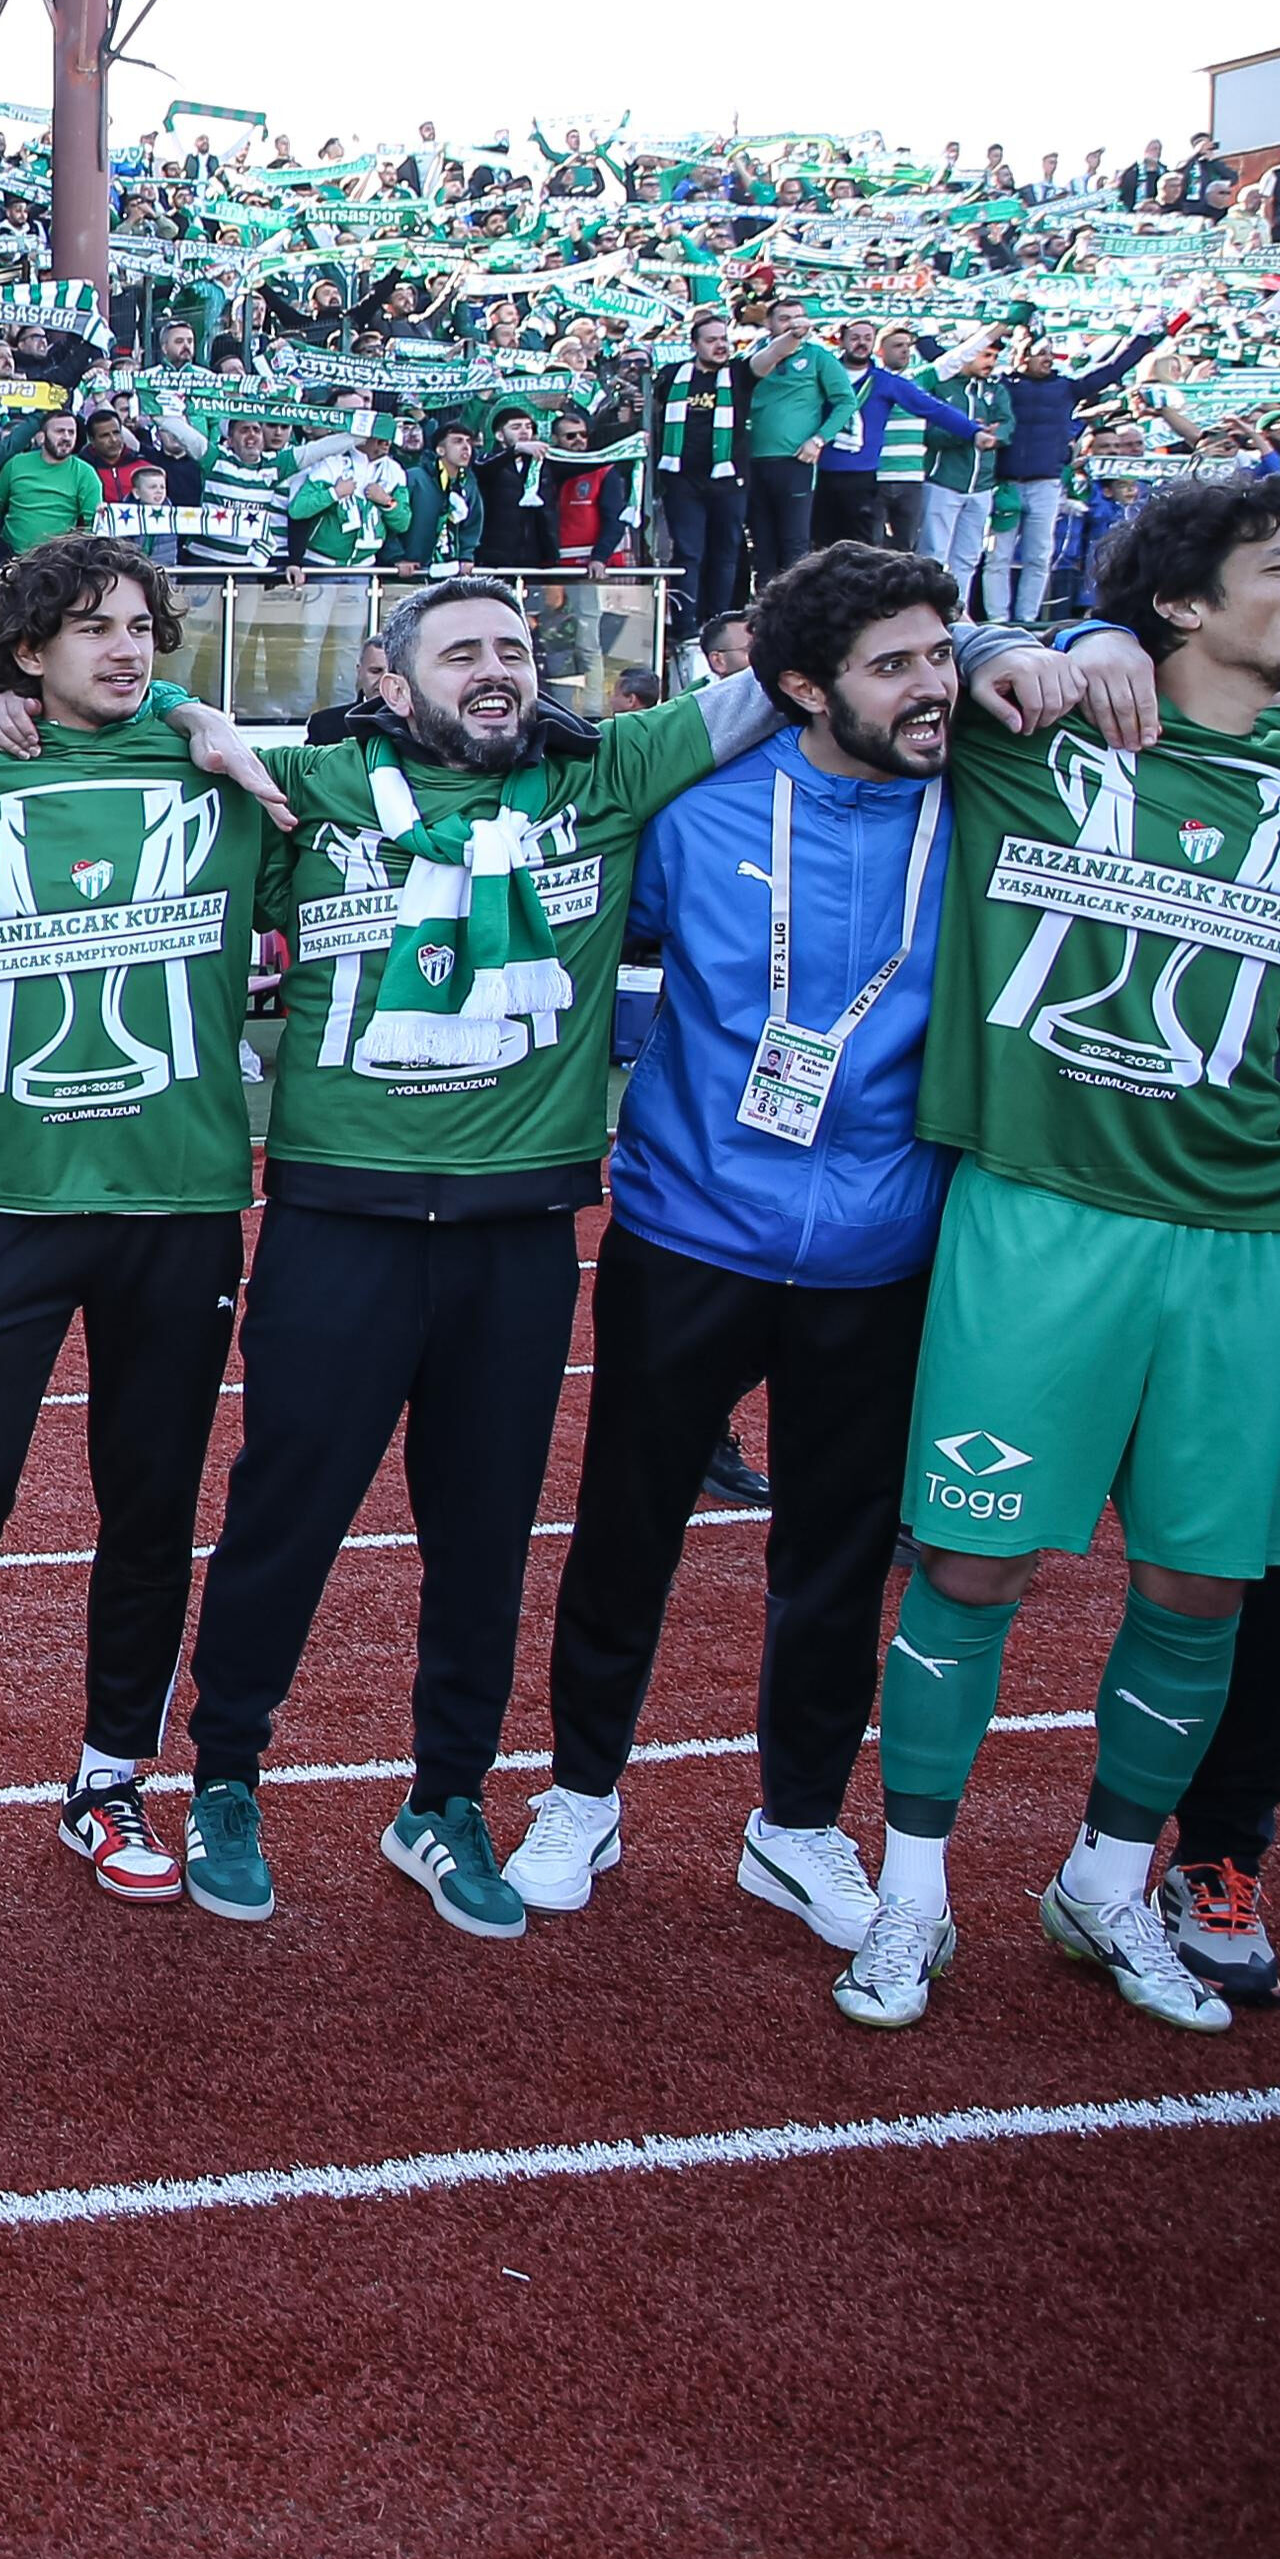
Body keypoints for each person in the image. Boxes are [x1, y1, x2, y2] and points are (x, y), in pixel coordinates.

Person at [169, 575, 1012, 1934]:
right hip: (341, 1219)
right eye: (460, 651)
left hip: (519, 1232)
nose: (496, 667)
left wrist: (1031, 639)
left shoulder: (611, 771)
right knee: (285, 1513)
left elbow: (813, 658)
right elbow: (120, 728)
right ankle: (226, 1775)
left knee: (489, 1534)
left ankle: (443, 1799)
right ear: (391, 683)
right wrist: (172, 705)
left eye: (515, 645)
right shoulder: (306, 785)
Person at [837, 474, 1280, 2035]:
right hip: (1042, 1205)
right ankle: (910, 1889)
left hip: (1250, 1231)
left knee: (1201, 1588)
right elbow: (861, 658)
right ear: (1183, 600)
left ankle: (1108, 1882)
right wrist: (1009, 639)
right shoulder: (1023, 724)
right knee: (974, 1560)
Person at [522, 543, 981, 1950]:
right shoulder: (694, 807)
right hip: (690, 1227)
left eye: (941, 656)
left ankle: (795, 1824)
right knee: (627, 1529)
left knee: (836, 1558)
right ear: (797, 688)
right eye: (893, 666)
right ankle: (582, 1793)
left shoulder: (984, 802)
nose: (933, 689)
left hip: (886, 1246)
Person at [0, 537, 280, 1908]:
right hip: (5, 1194)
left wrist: (214, 725)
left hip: (182, 1197)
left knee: (149, 1505)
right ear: (27, 650)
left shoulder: (208, 763)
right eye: (92, 626)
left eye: (144, 625)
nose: (127, 647)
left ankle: (109, 1777)